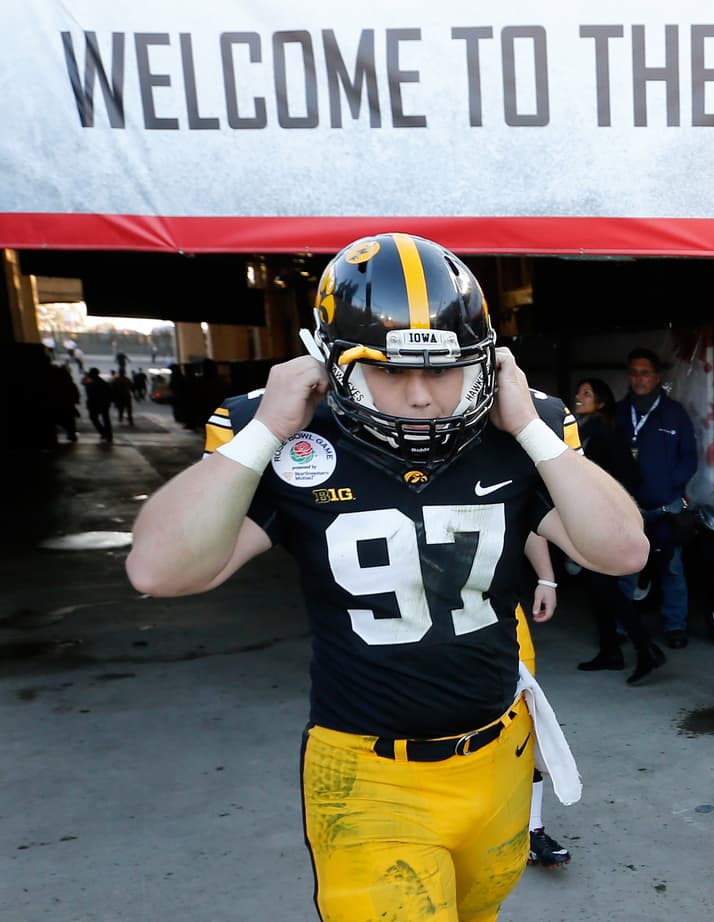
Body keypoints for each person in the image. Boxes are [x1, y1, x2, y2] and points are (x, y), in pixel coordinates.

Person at [126, 233, 648, 922]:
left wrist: (531, 429)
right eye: (390, 371)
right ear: (329, 363)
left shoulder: (519, 425)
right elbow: (159, 571)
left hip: (499, 754)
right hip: (366, 772)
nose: (422, 397)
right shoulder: (289, 434)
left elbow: (622, 552)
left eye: (443, 371)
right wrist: (266, 434)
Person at [570, 377, 665, 684]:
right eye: (579, 391)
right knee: (600, 589)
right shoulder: (590, 429)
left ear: (601, 402)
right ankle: (612, 650)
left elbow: (622, 476)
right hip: (598, 519)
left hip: (604, 521)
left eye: (587, 393)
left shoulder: (599, 431)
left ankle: (644, 650)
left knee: (605, 589)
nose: (578, 396)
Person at [615, 348, 698, 648]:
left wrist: (670, 485)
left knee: (672, 567)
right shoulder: (619, 412)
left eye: (645, 373)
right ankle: (622, 627)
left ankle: (675, 626)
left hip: (666, 506)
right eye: (634, 373)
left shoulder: (674, 413)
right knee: (624, 569)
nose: (639, 379)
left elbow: (690, 457)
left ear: (657, 377)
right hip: (628, 507)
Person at [517, 534, 572, 871]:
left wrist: (546, 578)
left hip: (492, 612)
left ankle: (532, 830)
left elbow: (524, 511)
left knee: (525, 723)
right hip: (413, 626)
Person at [83, 368, 113, 443]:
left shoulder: (90, 383)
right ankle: (108, 435)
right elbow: (109, 392)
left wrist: (86, 376)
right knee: (106, 419)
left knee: (93, 418)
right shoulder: (103, 382)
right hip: (104, 404)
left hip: (94, 404)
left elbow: (84, 384)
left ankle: (103, 432)